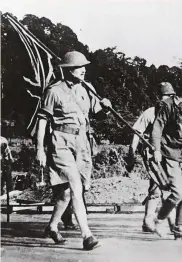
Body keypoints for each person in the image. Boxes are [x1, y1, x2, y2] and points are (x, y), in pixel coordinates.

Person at [36, 51, 111, 250]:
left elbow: (97, 113)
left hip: (82, 143)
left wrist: (105, 106)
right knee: (75, 187)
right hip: (60, 142)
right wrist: (40, 149)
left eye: (84, 66)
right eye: (79, 67)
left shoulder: (88, 88)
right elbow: (42, 121)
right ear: (68, 70)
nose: (83, 70)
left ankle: (52, 226)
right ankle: (87, 235)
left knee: (67, 194)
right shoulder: (54, 91)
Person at [147, 67, 182, 240]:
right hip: (171, 153)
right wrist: (156, 149)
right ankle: (159, 219)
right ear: (179, 84)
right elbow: (157, 128)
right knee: (178, 192)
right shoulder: (168, 104)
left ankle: (180, 227)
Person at [126, 82, 176, 232]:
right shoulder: (150, 113)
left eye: (170, 96)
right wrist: (131, 154)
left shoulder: (174, 112)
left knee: (163, 187)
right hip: (151, 153)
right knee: (159, 186)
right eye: (164, 96)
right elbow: (137, 133)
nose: (167, 100)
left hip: (168, 153)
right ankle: (163, 222)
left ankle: (149, 221)